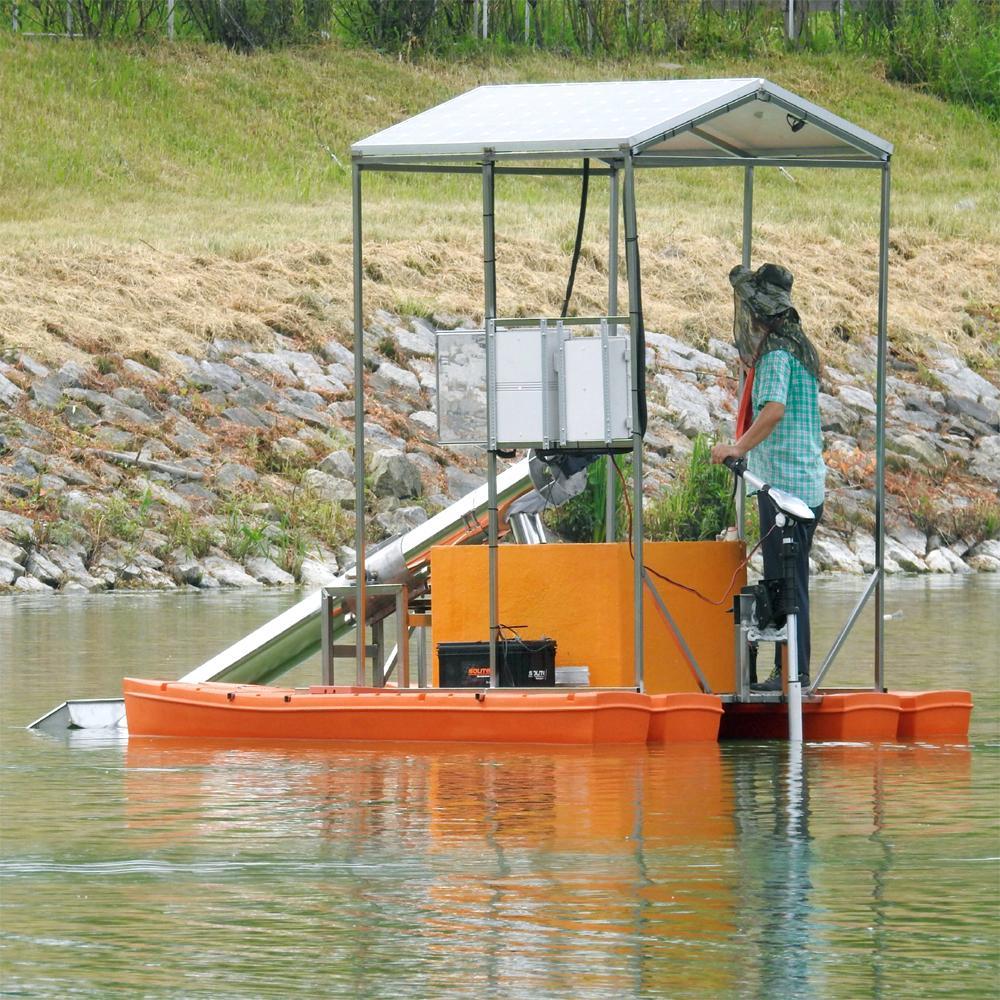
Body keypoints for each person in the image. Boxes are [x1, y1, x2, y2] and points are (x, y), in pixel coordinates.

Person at [711, 263, 826, 691]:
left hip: (786, 489)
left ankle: (793, 675)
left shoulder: (778, 353)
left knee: (787, 582)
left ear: (759, 314)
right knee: (785, 580)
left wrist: (738, 447)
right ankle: (789, 672)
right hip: (803, 484)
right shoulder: (800, 346)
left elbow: (774, 409)